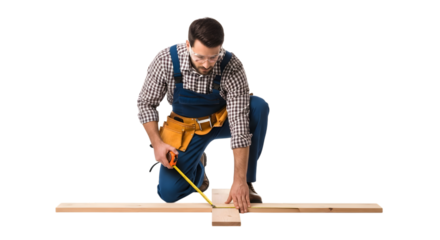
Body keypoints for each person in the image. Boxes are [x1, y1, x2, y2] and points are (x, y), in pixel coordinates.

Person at [135, 16, 270, 214]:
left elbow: (240, 124)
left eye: (213, 57)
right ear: (187, 44)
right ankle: (199, 170)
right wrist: (158, 144)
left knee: (257, 106)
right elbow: (146, 104)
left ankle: (247, 184)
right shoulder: (165, 60)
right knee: (169, 193)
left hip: (224, 121)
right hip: (186, 130)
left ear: (221, 48)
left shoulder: (233, 66)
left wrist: (238, 180)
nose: (206, 64)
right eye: (199, 57)